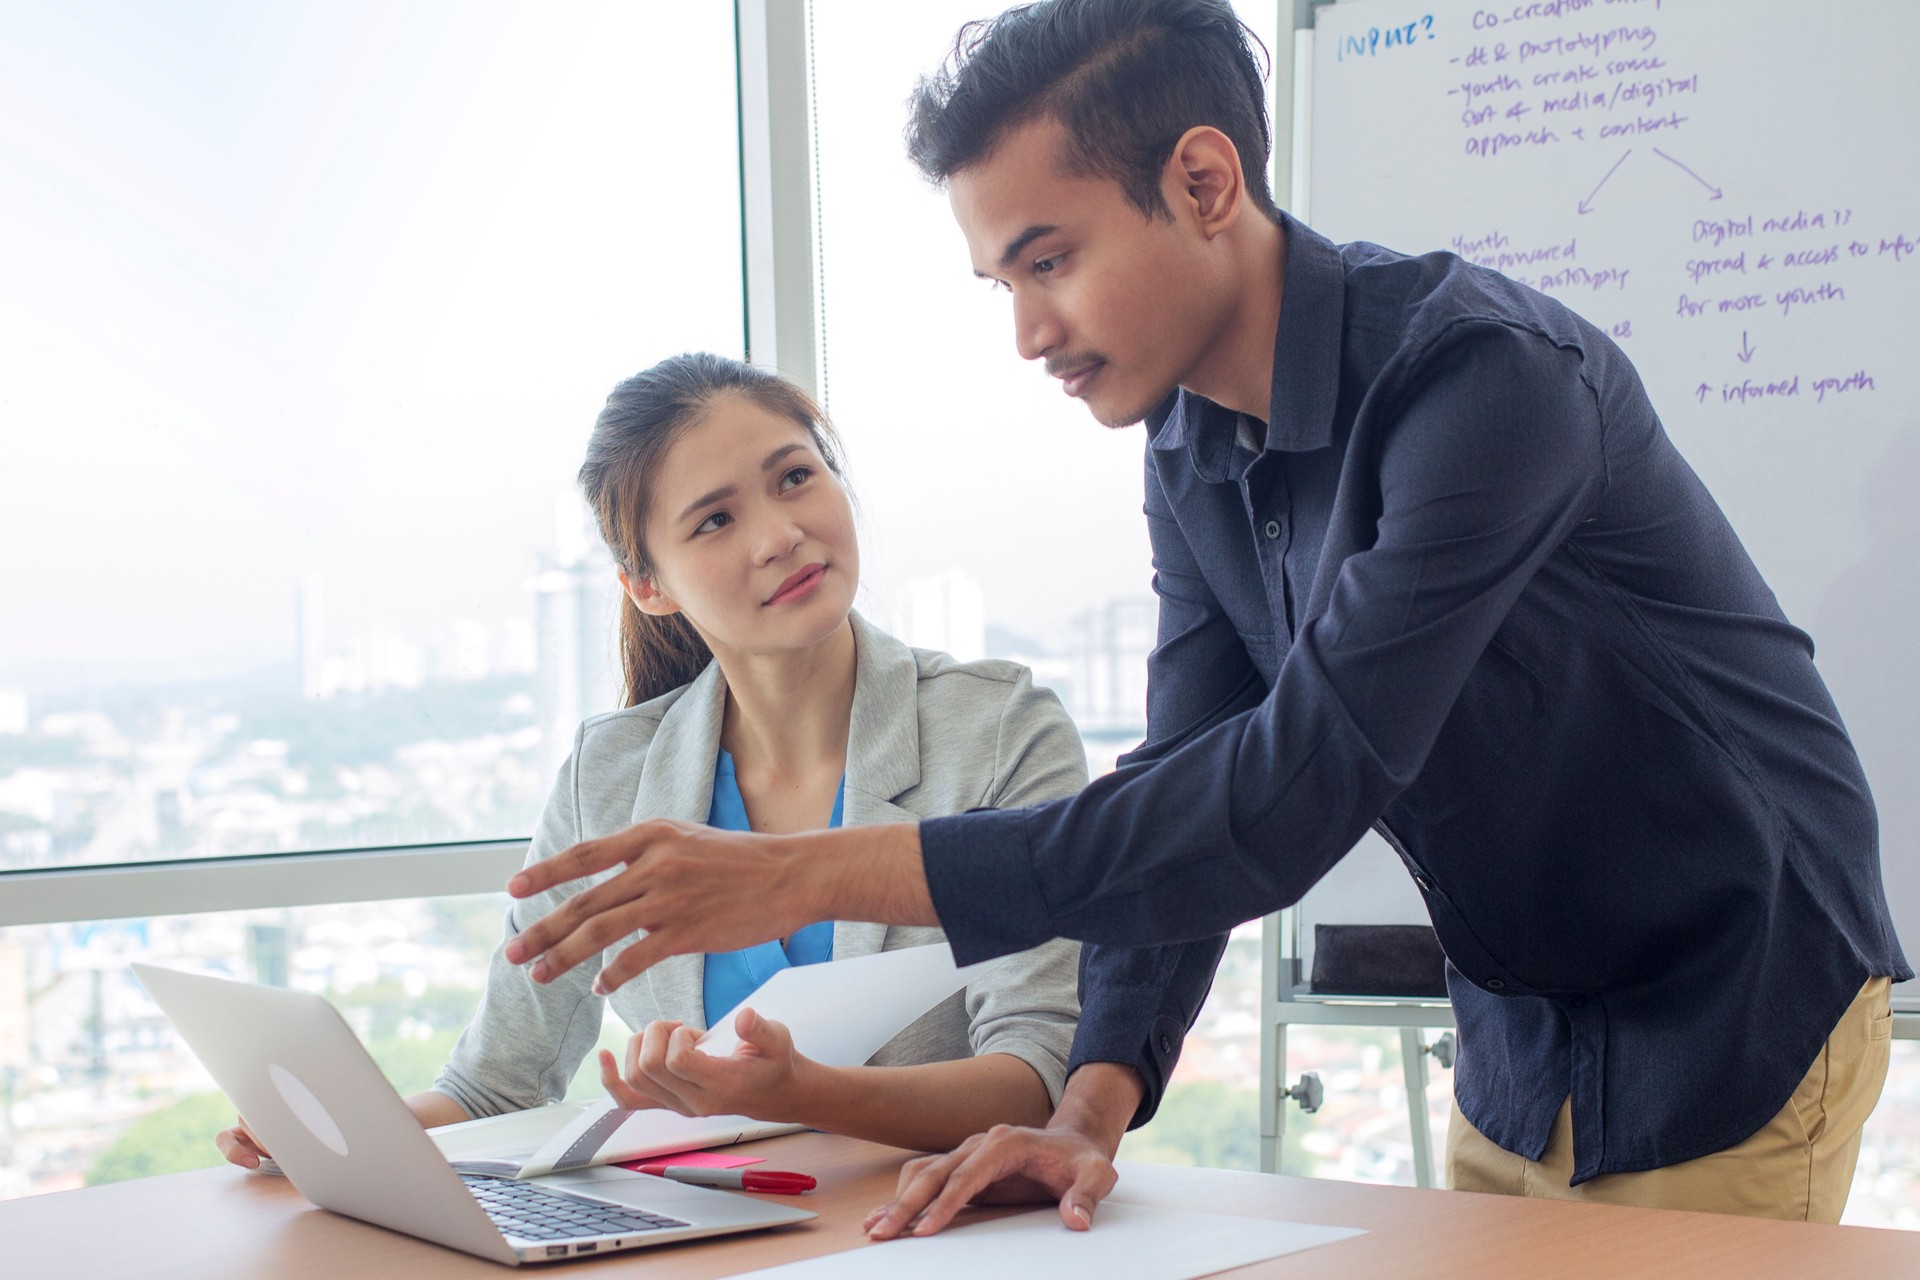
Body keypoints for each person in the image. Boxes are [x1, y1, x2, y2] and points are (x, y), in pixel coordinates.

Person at [499, 0, 1908, 1235]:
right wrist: (1087, 1112)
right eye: (1003, 283)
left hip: (1732, 993)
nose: (1028, 334)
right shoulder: (1189, 453)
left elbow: (1286, 799)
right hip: (1524, 1028)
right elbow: (1189, 782)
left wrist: (801, 876)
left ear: (1205, 180)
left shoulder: (1487, 387)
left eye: (1050, 261)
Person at [215, 352, 1084, 1170]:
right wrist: (336, 1134)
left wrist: (805, 1093)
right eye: (715, 519)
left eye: (795, 477)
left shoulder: (999, 730)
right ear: (648, 587)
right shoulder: (610, 777)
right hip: (716, 1247)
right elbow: (497, 1086)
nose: (779, 534)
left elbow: (1042, 1075)